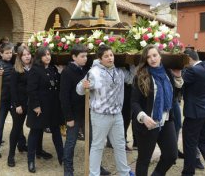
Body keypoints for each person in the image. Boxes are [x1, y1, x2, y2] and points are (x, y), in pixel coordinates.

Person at [77, 45, 135, 176]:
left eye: (111, 55)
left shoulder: (119, 72)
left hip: (117, 115)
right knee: (98, 146)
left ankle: (124, 172)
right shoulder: (93, 73)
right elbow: (79, 90)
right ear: (100, 59)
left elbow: (131, 78)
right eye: (106, 56)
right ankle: (94, 174)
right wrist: (83, 85)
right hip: (100, 116)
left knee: (120, 145)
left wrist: (132, 63)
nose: (110, 58)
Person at [131, 45, 183, 176]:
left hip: (165, 120)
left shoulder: (166, 73)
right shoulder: (142, 76)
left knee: (171, 155)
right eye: (148, 57)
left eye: (154, 55)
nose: (152, 59)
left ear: (160, 56)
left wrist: (177, 78)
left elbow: (172, 96)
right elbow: (134, 102)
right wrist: (143, 117)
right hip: (147, 123)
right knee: (144, 159)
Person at [181, 49, 205, 176]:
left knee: (189, 144)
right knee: (203, 141)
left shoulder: (192, 71)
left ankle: (188, 172)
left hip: (193, 113)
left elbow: (180, 80)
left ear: (189, 59)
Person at [26, 47, 64, 173]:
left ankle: (62, 157)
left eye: (49, 54)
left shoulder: (53, 69)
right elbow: (31, 90)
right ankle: (31, 161)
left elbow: (56, 85)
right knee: (35, 133)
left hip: (52, 107)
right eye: (45, 55)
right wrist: (36, 106)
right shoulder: (35, 70)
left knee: (56, 132)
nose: (48, 57)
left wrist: (60, 73)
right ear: (39, 57)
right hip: (40, 107)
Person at [60, 44, 89, 176]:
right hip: (74, 114)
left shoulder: (84, 70)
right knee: (71, 142)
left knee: (92, 140)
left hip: (85, 112)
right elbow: (64, 96)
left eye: (86, 56)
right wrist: (69, 117)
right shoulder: (67, 72)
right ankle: (68, 168)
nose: (85, 59)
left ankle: (95, 166)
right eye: (82, 56)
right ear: (74, 57)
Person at [7, 46, 32, 167]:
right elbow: (13, 89)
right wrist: (17, 105)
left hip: (32, 104)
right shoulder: (16, 70)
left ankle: (25, 147)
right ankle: (11, 155)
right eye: (24, 55)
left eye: (28, 54)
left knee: (35, 128)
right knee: (16, 129)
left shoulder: (33, 69)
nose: (27, 56)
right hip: (19, 105)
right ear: (20, 57)